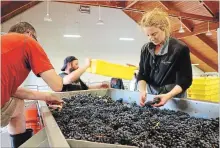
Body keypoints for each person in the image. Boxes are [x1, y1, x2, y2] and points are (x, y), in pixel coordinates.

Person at [1, 22, 70, 148]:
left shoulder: (4, 43)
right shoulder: (27, 40)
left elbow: (14, 91)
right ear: (29, 33)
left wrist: (46, 96)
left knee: (15, 100)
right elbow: (57, 85)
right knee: (19, 104)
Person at [137, 8, 192, 107]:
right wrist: (142, 91)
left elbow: (185, 80)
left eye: (154, 34)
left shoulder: (179, 49)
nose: (151, 38)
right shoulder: (145, 49)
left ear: (164, 28)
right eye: (148, 35)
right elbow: (142, 74)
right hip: (152, 97)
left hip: (174, 99)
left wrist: (168, 96)